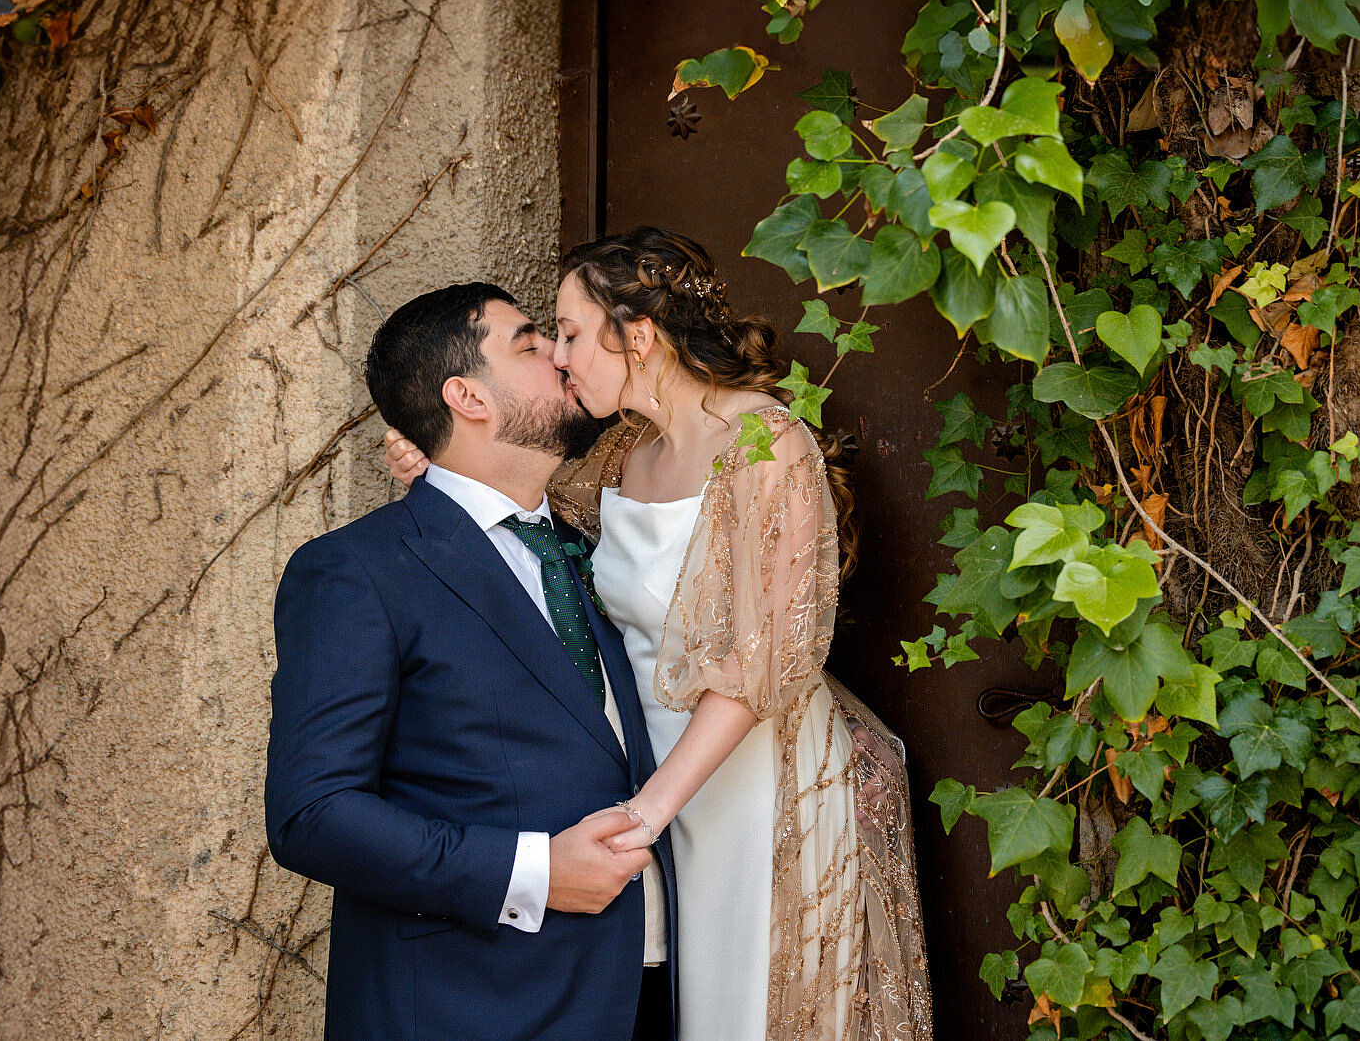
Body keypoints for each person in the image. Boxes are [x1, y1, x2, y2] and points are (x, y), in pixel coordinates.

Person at [385, 229, 933, 1041]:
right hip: (677, 800)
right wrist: (436, 465)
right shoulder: (621, 456)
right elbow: (515, 514)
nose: (561, 357)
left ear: (636, 335)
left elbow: (758, 660)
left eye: (568, 333)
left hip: (759, 787)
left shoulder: (765, 441)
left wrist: (646, 812)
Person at [267, 283, 677, 1040]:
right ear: (467, 397)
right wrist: (535, 874)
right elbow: (312, 814)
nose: (561, 356)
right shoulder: (356, 571)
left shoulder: (595, 549)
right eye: (530, 343)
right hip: (470, 1003)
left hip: (645, 988)